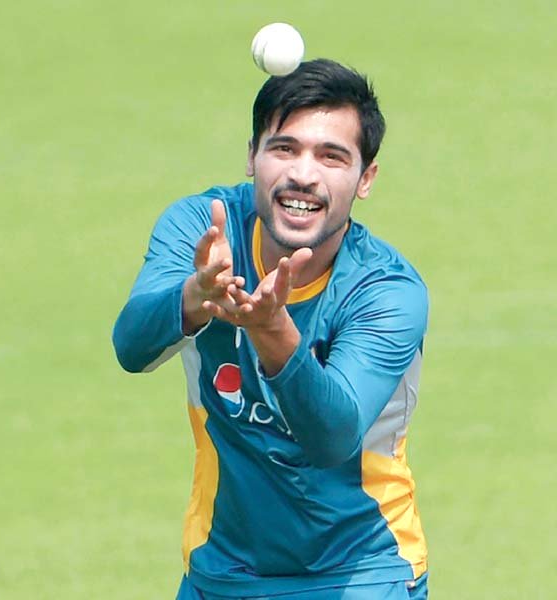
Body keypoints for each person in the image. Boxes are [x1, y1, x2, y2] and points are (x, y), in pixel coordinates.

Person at [113, 58, 429, 600]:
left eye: (332, 157)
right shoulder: (204, 227)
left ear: (365, 178)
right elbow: (131, 347)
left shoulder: (387, 291)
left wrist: (271, 330)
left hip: (359, 572)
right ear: (252, 156)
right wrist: (195, 295)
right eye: (284, 148)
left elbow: (332, 437)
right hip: (222, 570)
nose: (303, 174)